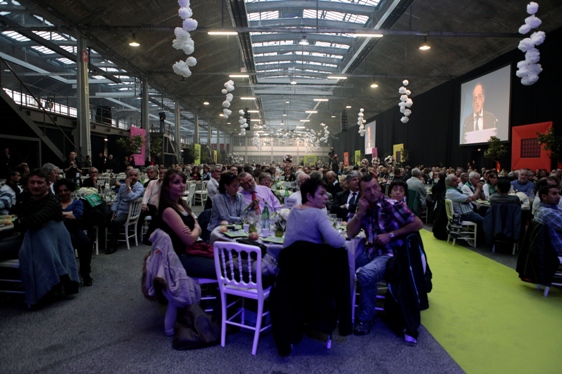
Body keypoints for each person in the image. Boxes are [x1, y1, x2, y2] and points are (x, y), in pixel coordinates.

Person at [346, 174, 423, 336]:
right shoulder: (364, 207)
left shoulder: (392, 205)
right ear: (361, 193)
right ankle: (340, 309)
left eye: (375, 187)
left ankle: (365, 319)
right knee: (341, 263)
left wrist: (392, 235)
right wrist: (360, 213)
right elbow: (350, 233)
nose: (373, 192)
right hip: (371, 251)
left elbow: (418, 224)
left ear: (380, 187)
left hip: (390, 255)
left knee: (366, 274)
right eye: (367, 190)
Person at [15, 169, 79, 305]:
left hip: (42, 245)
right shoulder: (30, 200)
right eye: (32, 182)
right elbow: (18, 217)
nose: (35, 186)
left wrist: (23, 220)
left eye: (39, 182)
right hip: (33, 241)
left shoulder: (52, 202)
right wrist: (23, 220)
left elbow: (32, 221)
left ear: (47, 184)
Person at [157, 169, 216, 279]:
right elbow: (189, 239)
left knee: (226, 262)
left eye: (183, 182)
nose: (182, 185)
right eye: (176, 182)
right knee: (224, 269)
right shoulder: (168, 210)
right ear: (166, 186)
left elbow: (196, 226)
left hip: (191, 250)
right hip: (180, 257)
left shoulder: (182, 204)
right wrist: (197, 228)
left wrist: (195, 229)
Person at [283, 178, 345, 248]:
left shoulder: (294, 210)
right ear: (309, 196)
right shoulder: (317, 213)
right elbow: (337, 242)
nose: (326, 197)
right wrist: (342, 237)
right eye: (321, 194)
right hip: (312, 257)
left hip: (288, 257)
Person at [54, 179, 94, 286]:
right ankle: (68, 275)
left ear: (70, 190)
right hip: (59, 231)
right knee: (69, 243)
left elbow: (76, 215)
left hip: (74, 228)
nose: (63, 193)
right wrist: (68, 213)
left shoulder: (77, 202)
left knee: (86, 242)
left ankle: (85, 273)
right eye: (60, 191)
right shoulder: (55, 203)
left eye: (66, 190)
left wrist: (60, 214)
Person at [107, 168, 144, 254]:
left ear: (138, 177)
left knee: (116, 222)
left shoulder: (140, 187)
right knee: (103, 216)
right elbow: (117, 200)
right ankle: (102, 242)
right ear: (127, 177)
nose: (133, 177)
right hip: (119, 211)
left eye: (135, 175)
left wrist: (128, 186)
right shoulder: (122, 187)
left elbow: (132, 198)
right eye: (131, 175)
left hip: (129, 213)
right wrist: (113, 212)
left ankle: (113, 245)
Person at [140, 167, 166, 244]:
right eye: (161, 173)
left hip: (160, 206)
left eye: (164, 173)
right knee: (141, 214)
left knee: (157, 217)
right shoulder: (152, 183)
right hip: (150, 205)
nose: (162, 175)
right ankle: (139, 236)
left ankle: (148, 238)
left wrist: (163, 182)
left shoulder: (168, 184)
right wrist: (144, 204)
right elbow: (147, 194)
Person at [534, 185, 562, 256]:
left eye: (558, 193)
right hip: (558, 248)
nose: (558, 196)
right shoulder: (547, 212)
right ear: (544, 196)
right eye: (554, 194)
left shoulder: (543, 209)